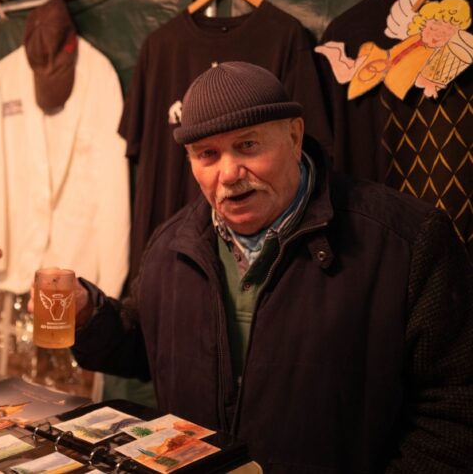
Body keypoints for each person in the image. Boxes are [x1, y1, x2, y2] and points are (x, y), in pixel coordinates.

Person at [36, 62, 473, 472]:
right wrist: (90, 315)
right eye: (207, 154)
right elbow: (149, 348)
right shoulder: (171, 245)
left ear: (295, 136)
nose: (228, 173)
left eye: (247, 145)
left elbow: (454, 411)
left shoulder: (406, 241)